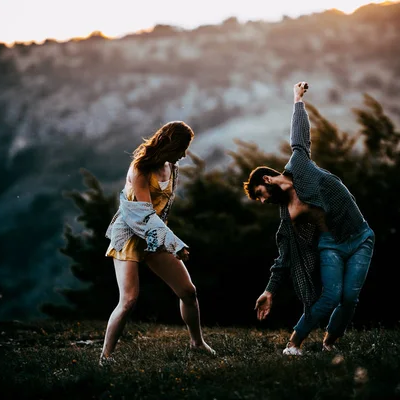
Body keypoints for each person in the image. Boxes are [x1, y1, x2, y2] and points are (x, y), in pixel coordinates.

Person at [244, 82, 375, 356]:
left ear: (267, 179)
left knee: (350, 298)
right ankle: (294, 343)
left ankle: (329, 341)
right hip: (331, 244)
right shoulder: (288, 214)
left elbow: (299, 136)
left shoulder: (299, 164)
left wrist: (297, 100)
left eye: (261, 194)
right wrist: (269, 291)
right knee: (331, 297)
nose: (265, 200)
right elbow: (284, 257)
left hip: (360, 236)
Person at [100, 121, 215, 365]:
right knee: (129, 300)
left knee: (188, 291)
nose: (184, 154)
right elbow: (144, 215)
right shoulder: (140, 168)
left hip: (154, 235)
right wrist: (175, 244)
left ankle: (197, 344)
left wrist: (166, 241)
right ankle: (106, 357)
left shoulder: (172, 167)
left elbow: (159, 216)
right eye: (182, 148)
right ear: (170, 144)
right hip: (130, 234)